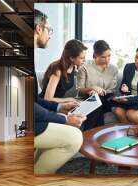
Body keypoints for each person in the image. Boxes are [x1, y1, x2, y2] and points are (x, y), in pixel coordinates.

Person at [34, 9, 86, 175]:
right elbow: (46, 98)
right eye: (49, 29)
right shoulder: (57, 69)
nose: (50, 34)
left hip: (46, 108)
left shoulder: (75, 69)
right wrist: (61, 110)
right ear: (38, 29)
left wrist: (63, 107)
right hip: (43, 109)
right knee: (74, 136)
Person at [77, 40, 118, 129]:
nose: (107, 59)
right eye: (103, 57)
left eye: (109, 56)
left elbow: (112, 90)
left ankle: (88, 133)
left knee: (98, 99)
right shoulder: (84, 67)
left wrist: (100, 92)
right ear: (95, 55)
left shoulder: (113, 69)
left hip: (107, 100)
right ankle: (97, 133)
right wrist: (91, 89)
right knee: (96, 99)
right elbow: (80, 89)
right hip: (88, 98)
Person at [40, 39, 87, 103]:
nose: (84, 60)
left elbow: (81, 83)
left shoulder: (73, 67)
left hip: (58, 104)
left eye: (84, 57)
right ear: (72, 58)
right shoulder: (57, 70)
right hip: (44, 105)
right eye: (82, 58)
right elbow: (47, 98)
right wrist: (68, 100)